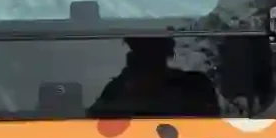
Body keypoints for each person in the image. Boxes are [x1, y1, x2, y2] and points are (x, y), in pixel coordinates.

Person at [90, 36, 220, 118]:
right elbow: (95, 125)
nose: (149, 58)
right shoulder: (116, 89)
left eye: (154, 52)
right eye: (143, 52)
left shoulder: (196, 84)